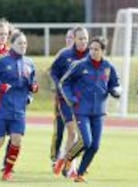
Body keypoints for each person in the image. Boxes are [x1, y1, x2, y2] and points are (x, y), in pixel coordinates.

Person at [0, 31, 39, 181]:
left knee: (17, 140)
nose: (23, 46)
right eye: (19, 43)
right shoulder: (0, 60)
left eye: (25, 43)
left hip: (19, 110)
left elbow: (32, 84)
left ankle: (8, 172)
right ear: (12, 44)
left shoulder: (29, 63)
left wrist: (31, 93)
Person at [59, 37, 121, 182]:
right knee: (86, 142)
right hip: (81, 110)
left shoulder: (108, 66)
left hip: (99, 111)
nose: (92, 52)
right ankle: (68, 159)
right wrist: (71, 99)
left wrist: (115, 91)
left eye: (96, 49)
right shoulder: (80, 65)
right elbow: (64, 83)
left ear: (103, 51)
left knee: (95, 146)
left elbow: (114, 84)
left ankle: (79, 174)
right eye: (91, 49)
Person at [51, 27, 89, 178]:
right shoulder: (65, 55)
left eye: (85, 38)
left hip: (83, 101)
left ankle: (64, 160)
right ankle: (69, 166)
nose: (83, 42)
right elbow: (53, 71)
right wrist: (58, 85)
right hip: (65, 99)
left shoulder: (91, 55)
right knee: (72, 133)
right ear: (74, 39)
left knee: (81, 137)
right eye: (80, 38)